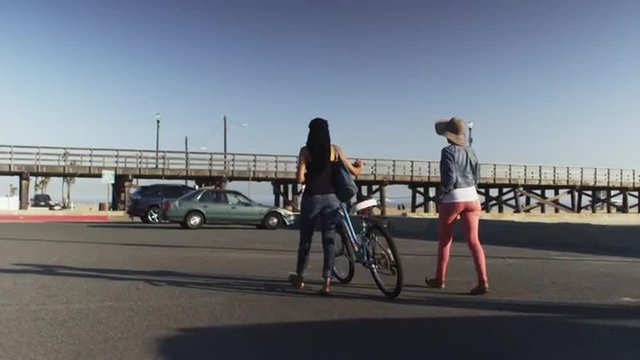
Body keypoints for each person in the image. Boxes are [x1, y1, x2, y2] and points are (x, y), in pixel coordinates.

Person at [289, 117, 363, 295]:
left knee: (305, 240)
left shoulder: (305, 151)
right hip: (332, 199)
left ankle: (300, 277)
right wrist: (359, 165)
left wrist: (307, 173)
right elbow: (354, 172)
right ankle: (327, 282)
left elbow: (299, 179)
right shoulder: (335, 150)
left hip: (311, 198)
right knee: (328, 241)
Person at [425, 117, 489, 295]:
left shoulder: (447, 151)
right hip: (473, 197)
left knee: (445, 241)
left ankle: (439, 279)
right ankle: (483, 280)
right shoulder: (472, 151)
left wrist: (441, 193)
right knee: (474, 241)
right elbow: (477, 177)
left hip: (453, 199)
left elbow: (450, 178)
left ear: (448, 135)